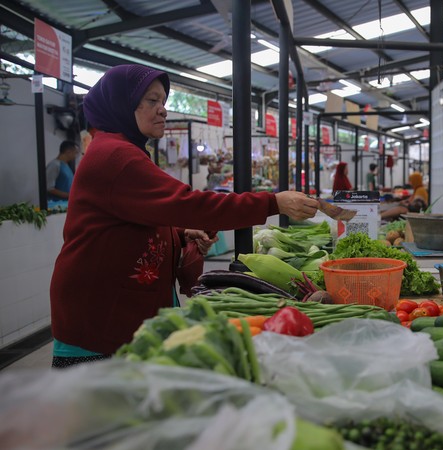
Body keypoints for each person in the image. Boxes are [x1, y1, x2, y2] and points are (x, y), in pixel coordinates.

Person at [50, 64, 319, 368]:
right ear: (122, 103)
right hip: (100, 312)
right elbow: (189, 204)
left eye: (163, 102)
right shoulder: (115, 156)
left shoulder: (125, 151)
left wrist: (179, 233)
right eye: (151, 101)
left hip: (114, 304)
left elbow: (141, 217)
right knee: (103, 408)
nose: (162, 110)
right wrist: (272, 203)